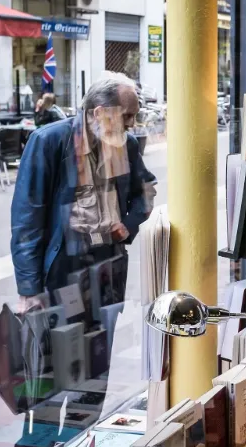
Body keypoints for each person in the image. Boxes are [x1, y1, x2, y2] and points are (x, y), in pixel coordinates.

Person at [11, 72, 156, 302]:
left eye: (135, 115)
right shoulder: (49, 141)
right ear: (99, 113)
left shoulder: (126, 144)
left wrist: (127, 226)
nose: (132, 124)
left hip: (109, 265)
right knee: (66, 325)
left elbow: (145, 189)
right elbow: (27, 219)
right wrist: (29, 290)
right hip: (65, 268)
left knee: (104, 325)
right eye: (127, 115)